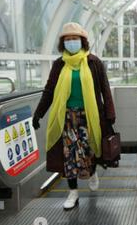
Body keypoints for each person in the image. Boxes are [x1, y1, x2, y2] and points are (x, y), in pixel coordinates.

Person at [33, 22, 116, 210]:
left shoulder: (94, 62)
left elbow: (105, 89)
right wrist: (38, 114)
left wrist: (110, 113)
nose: (71, 42)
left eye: (75, 39)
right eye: (68, 40)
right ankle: (73, 193)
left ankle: (92, 172)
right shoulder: (59, 65)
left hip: (91, 115)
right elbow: (49, 91)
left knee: (91, 149)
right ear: (63, 43)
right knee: (68, 154)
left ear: (82, 41)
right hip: (67, 117)